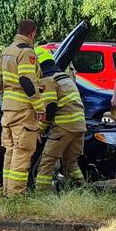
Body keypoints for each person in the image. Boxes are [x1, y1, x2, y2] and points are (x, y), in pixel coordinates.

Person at [0, 19, 45, 196]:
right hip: (23, 110)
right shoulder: (26, 52)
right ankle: (16, 195)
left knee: (10, 152)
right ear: (32, 33)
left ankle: (6, 192)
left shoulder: (5, 52)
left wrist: (5, 100)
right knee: (22, 152)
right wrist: (40, 108)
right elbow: (26, 81)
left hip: (8, 110)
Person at [35, 57, 86, 190]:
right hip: (79, 126)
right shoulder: (65, 78)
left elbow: (50, 107)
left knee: (47, 161)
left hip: (64, 126)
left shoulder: (48, 79)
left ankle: (41, 194)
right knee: (71, 163)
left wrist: (40, 129)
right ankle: (81, 189)